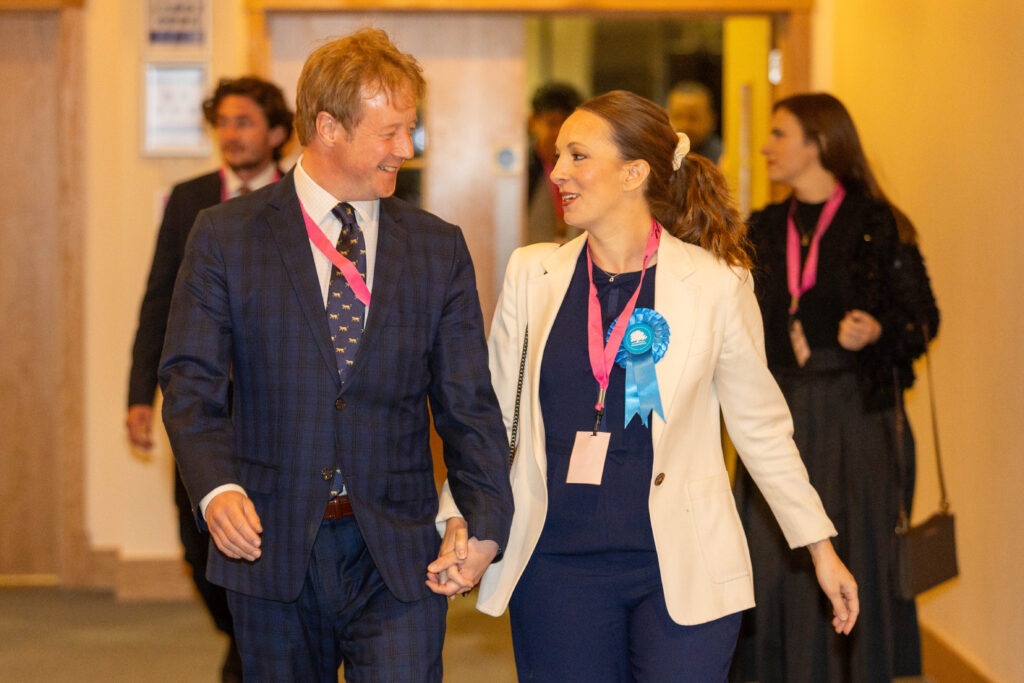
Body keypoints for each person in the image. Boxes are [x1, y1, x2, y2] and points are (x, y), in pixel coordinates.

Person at [428, 90, 858, 682]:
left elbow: (761, 428)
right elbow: (492, 416)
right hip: (556, 566)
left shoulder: (715, 285)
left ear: (635, 172)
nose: (557, 173)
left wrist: (819, 547)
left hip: (682, 565)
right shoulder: (534, 275)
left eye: (578, 156)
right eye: (558, 156)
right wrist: (459, 516)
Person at [158, 28, 514, 682]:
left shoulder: (436, 248)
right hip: (271, 544)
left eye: (411, 130)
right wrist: (216, 485)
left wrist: (485, 517)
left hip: (399, 550)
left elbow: (469, 403)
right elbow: (190, 384)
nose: (406, 149)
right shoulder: (227, 236)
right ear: (327, 127)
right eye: (390, 133)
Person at [729, 92, 939, 682]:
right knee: (772, 563)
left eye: (778, 134)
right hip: (779, 417)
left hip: (855, 419)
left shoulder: (878, 224)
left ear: (819, 142)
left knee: (853, 552)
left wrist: (877, 330)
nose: (766, 147)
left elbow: (922, 319)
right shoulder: (763, 228)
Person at [125, 75, 293, 682]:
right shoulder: (189, 196)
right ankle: (242, 635)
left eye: (244, 121)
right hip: (202, 404)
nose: (230, 133)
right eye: (223, 121)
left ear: (276, 133)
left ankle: (254, 646)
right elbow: (158, 300)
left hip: (273, 405)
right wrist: (139, 394)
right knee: (197, 538)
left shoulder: (301, 199)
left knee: (266, 532)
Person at [526, 81, 583, 244]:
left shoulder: (586, 166)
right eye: (552, 123)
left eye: (565, 122)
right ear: (533, 122)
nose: (559, 131)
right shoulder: (522, 171)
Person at [666, 80, 723, 163]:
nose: (684, 125)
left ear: (711, 120)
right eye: (677, 116)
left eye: (693, 118)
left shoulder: (722, 160)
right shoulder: (657, 153)